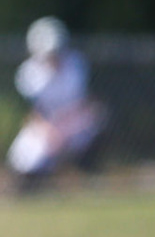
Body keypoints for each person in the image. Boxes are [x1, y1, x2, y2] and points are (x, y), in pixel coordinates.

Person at [7, 16, 106, 180]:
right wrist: (50, 131)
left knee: (97, 121)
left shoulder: (76, 65)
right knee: (23, 157)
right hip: (44, 125)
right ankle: (37, 183)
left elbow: (88, 103)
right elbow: (30, 113)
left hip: (74, 121)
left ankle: (88, 171)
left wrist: (63, 129)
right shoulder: (28, 73)